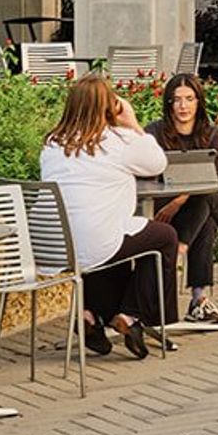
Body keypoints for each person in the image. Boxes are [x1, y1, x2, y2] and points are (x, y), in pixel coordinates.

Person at [39, 72, 178, 358]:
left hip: (52, 245)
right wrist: (134, 124)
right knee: (165, 237)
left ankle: (90, 315)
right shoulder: (117, 140)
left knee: (107, 236)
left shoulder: (52, 143)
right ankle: (130, 315)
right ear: (110, 107)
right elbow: (156, 163)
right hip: (94, 243)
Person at [144, 70, 218, 325]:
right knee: (205, 223)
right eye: (177, 99)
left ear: (198, 102)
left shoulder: (211, 133)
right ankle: (198, 299)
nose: (183, 106)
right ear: (169, 103)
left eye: (189, 99)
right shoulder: (154, 133)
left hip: (213, 202)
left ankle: (179, 247)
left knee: (202, 197)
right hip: (173, 209)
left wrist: (179, 200)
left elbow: (213, 178)